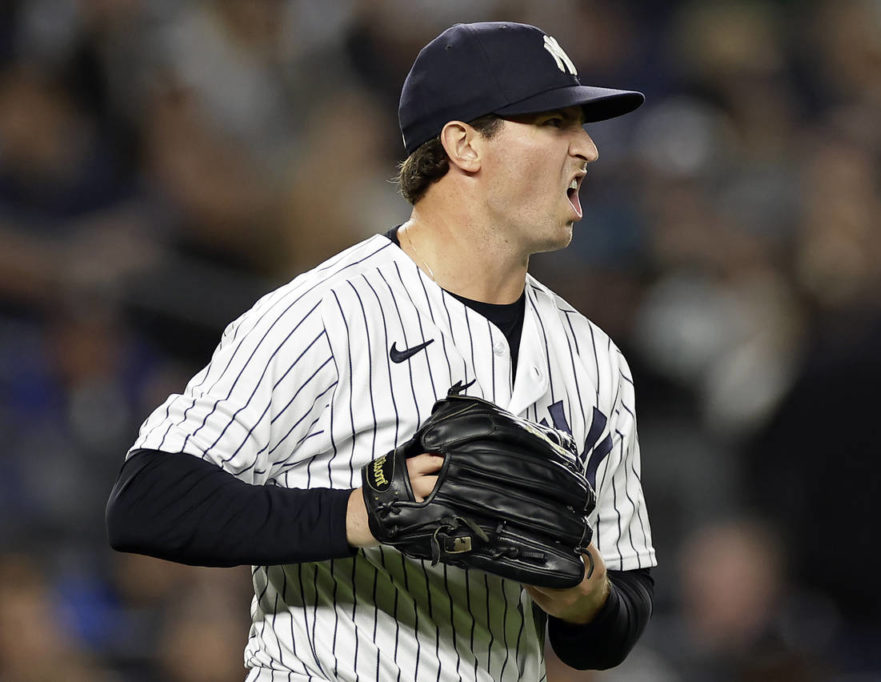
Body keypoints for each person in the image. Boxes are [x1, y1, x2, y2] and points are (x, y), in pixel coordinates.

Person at [106, 21, 656, 681]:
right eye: (555, 123)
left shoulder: (594, 359)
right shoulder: (324, 314)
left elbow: (620, 613)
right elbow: (148, 501)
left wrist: (587, 601)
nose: (587, 147)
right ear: (464, 145)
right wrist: (362, 510)